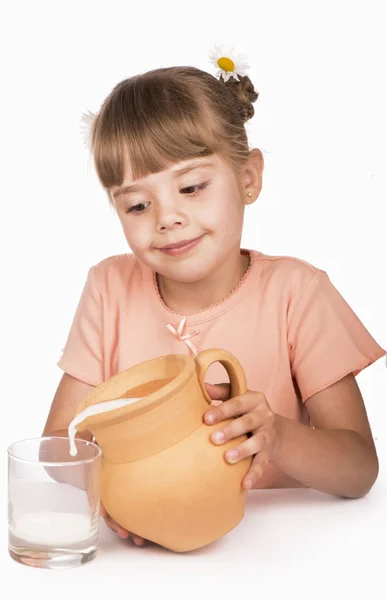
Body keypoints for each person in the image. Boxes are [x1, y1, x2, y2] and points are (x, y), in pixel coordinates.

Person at [42, 47, 386, 547]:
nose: (166, 218)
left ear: (248, 178)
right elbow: (59, 448)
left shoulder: (298, 293)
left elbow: (359, 471)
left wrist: (276, 434)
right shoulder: (109, 289)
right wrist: (113, 491)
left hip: (294, 553)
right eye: (138, 204)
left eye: (193, 187)